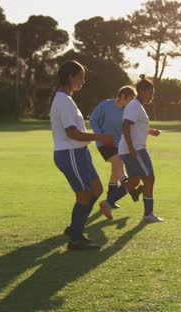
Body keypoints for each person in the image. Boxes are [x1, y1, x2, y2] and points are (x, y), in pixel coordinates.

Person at [50, 60, 113, 250]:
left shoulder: (66, 99)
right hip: (70, 153)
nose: (83, 82)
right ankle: (76, 239)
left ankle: (75, 227)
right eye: (80, 77)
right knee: (84, 194)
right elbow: (72, 133)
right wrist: (100, 137)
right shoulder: (63, 100)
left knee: (96, 189)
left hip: (79, 153)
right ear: (70, 76)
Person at [100, 75, 163, 222]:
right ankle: (148, 214)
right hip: (135, 149)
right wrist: (131, 148)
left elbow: (135, 126)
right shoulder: (134, 105)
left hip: (130, 149)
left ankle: (107, 203)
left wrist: (150, 131)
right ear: (141, 92)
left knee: (134, 181)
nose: (151, 97)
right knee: (149, 178)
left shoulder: (137, 106)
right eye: (149, 93)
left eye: (152, 94)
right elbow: (125, 125)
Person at [89, 86, 143, 208]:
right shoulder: (105, 105)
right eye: (130, 99)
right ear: (122, 97)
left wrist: (149, 131)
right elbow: (93, 119)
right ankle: (131, 189)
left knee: (116, 169)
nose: (132, 102)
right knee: (118, 163)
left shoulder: (127, 111)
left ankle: (110, 199)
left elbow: (133, 127)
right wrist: (100, 136)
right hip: (104, 143)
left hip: (119, 144)